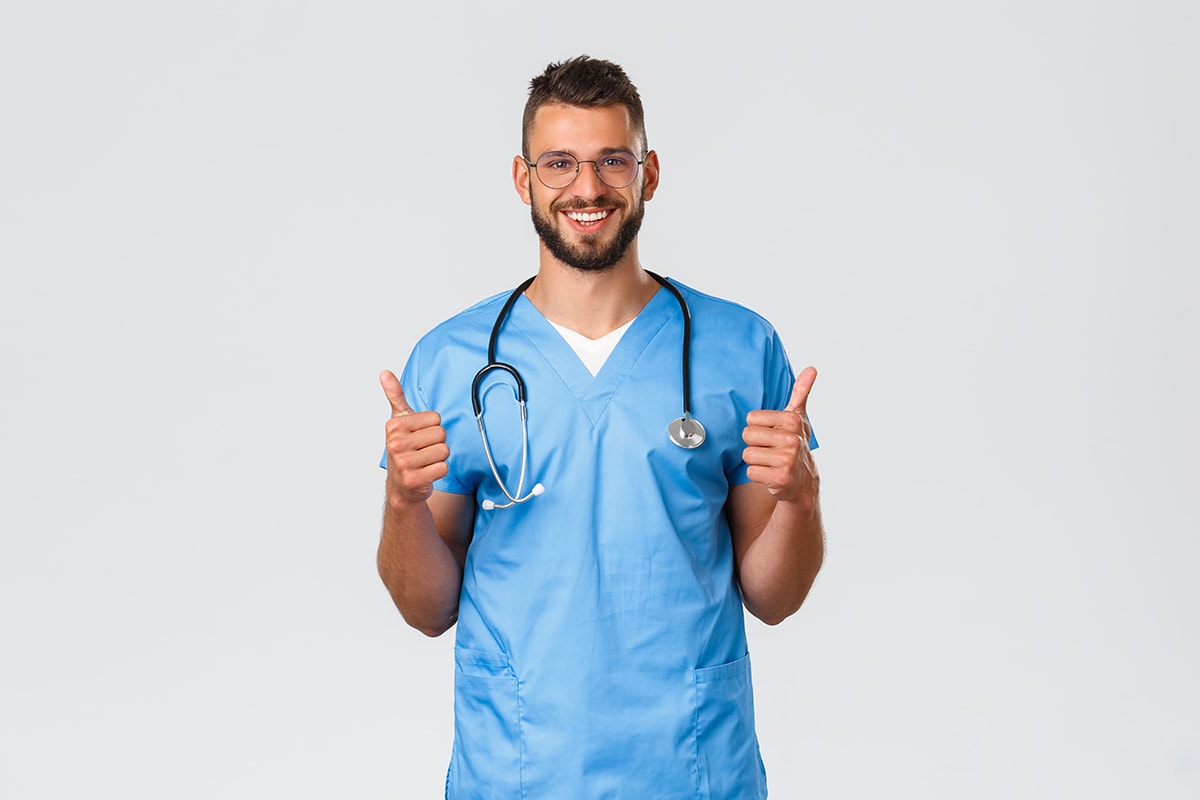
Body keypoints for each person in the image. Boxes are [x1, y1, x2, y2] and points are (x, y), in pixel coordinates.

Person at [377, 55, 824, 799]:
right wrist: (401, 506)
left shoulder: (739, 349)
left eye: (612, 160)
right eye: (560, 164)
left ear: (648, 174)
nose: (587, 188)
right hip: (519, 771)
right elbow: (427, 611)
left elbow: (774, 598)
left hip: (691, 769)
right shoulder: (453, 361)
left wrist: (802, 503)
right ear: (524, 180)